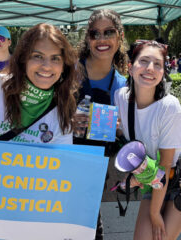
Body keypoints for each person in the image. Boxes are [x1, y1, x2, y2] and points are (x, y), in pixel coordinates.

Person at [115, 40, 181, 240]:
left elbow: (165, 165)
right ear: (130, 68)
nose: (150, 68)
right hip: (155, 175)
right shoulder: (121, 97)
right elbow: (132, 140)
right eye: (144, 61)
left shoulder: (169, 106)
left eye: (157, 64)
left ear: (163, 72)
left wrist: (154, 214)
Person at [74, 9, 128, 239]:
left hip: (94, 167)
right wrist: (67, 118)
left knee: (89, 224)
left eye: (109, 32)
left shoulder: (122, 84)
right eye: (95, 34)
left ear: (120, 36)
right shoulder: (70, 71)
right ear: (88, 39)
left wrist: (120, 128)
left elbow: (131, 131)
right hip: (58, 159)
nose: (102, 39)